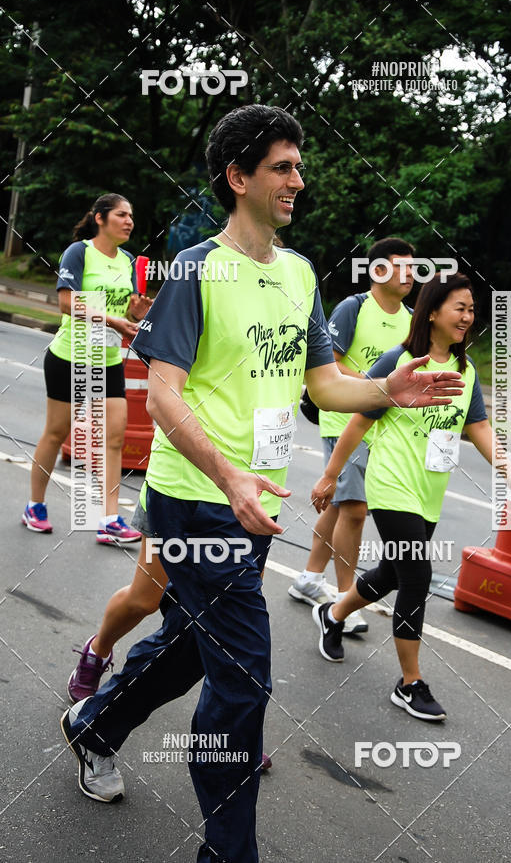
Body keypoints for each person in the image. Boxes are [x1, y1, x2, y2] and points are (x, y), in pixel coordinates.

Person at [60, 105, 463, 863]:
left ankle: (95, 725)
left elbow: (324, 384)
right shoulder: (195, 270)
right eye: (282, 167)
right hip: (196, 497)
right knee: (243, 675)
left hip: (256, 504)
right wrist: (227, 473)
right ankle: (228, 851)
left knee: (189, 649)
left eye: (299, 167)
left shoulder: (301, 273)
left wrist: (383, 393)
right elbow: (163, 393)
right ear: (238, 177)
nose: (298, 181)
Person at [311, 273, 511, 721]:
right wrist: (330, 476)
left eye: (471, 309)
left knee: (392, 570)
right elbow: (359, 422)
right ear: (431, 312)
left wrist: (506, 466)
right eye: (459, 308)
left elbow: (477, 426)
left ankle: (333, 613)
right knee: (417, 575)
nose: (467, 316)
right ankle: (410, 683)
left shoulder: (466, 372)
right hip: (391, 485)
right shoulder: (400, 360)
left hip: (429, 490)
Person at [66, 483, 273, 771]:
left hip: (252, 508)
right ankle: (97, 651)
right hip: (180, 496)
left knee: (227, 623)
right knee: (143, 600)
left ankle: (231, 738)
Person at [289, 237, 415, 636]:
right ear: (378, 271)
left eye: (414, 268)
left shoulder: (413, 318)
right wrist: (382, 386)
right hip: (344, 420)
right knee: (356, 510)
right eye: (402, 266)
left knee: (342, 506)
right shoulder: (353, 308)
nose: (411, 274)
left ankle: (310, 578)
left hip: (386, 426)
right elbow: (332, 367)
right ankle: (346, 598)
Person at [22, 193, 149, 543]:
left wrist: (135, 313)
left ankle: (109, 520)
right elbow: (66, 301)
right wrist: (114, 320)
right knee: (56, 432)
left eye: (131, 216)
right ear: (100, 218)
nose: (129, 222)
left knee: (115, 438)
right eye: (121, 215)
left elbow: (126, 314)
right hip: (70, 356)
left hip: (108, 361)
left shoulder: (128, 261)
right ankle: (35, 504)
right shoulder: (79, 252)